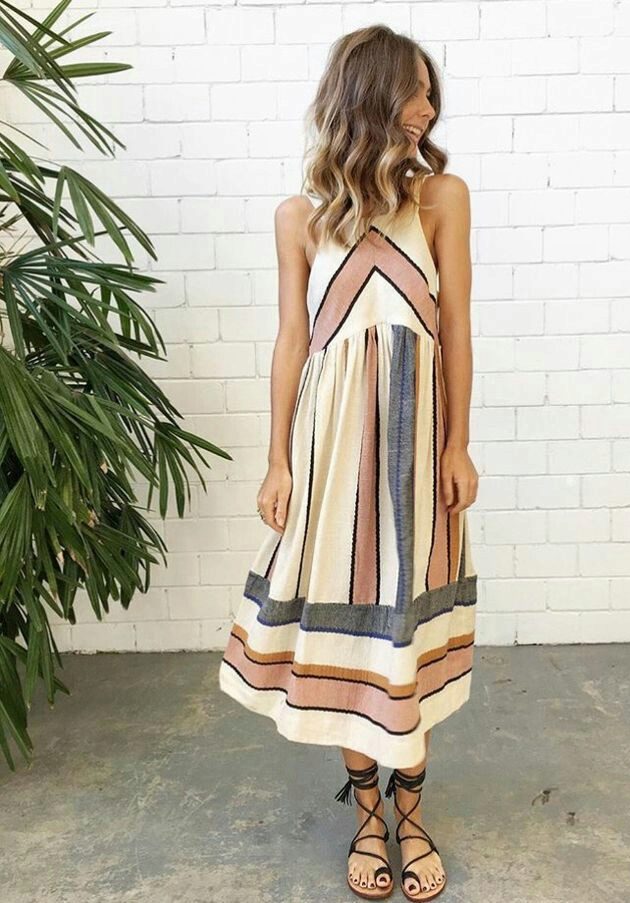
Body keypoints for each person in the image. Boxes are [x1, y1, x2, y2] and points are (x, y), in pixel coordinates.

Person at [219, 24, 478, 902]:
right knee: (345, 631)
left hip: (414, 456)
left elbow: (456, 328)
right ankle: (371, 815)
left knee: (406, 628)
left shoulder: (441, 198)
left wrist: (457, 442)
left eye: (431, 93)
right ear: (369, 95)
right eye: (414, 90)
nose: (428, 108)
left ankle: (413, 812)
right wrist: (276, 461)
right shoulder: (299, 217)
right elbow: (292, 341)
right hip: (328, 457)